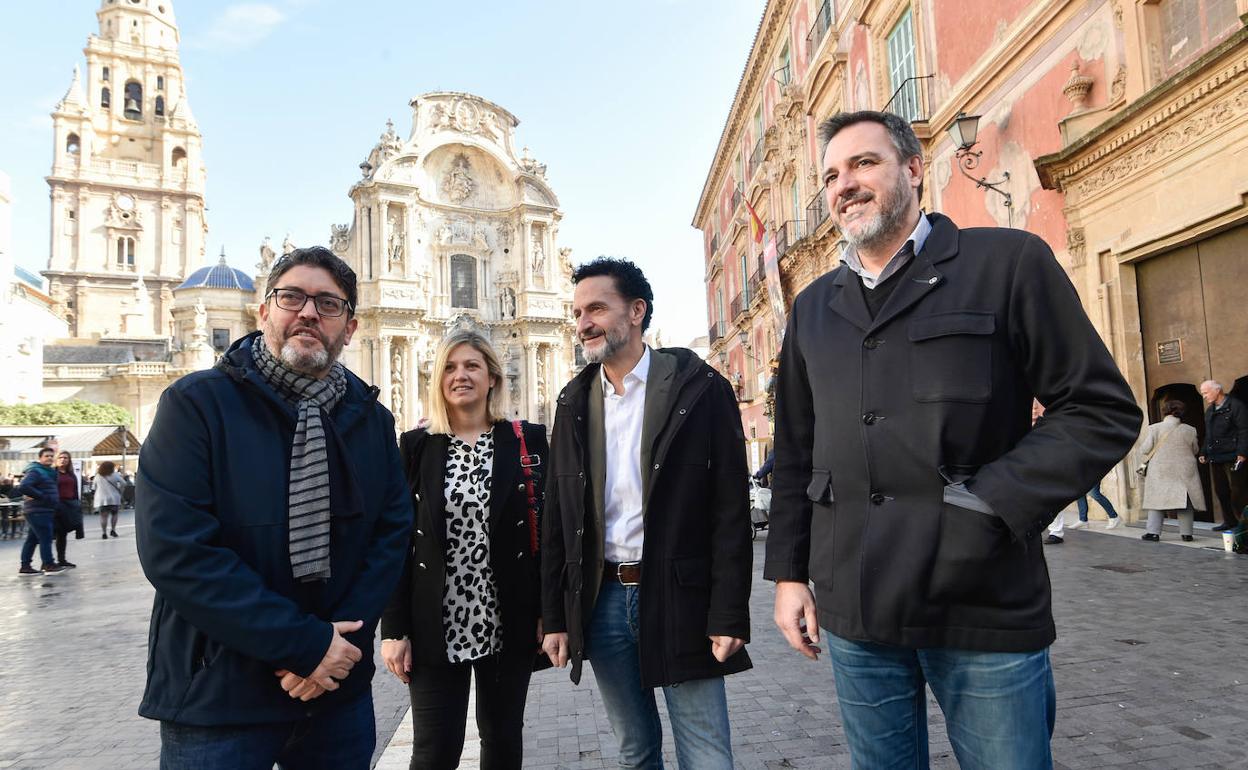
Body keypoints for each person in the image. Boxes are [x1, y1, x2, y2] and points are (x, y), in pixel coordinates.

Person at [766, 111, 1142, 768]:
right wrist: (789, 574)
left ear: (914, 169)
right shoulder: (813, 308)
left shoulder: (1008, 264)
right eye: (830, 175)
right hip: (856, 610)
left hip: (983, 604)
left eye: (863, 164)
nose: (843, 185)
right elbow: (797, 450)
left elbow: (1098, 408)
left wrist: (990, 504)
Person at [135, 246, 412, 769]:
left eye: (328, 305)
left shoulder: (371, 419)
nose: (308, 312)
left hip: (336, 693)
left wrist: (334, 653)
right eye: (292, 298)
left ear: (349, 328)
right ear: (264, 312)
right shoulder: (195, 405)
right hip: (219, 693)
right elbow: (176, 549)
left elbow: (388, 537)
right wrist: (304, 647)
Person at [541, 257, 752, 768]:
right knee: (634, 749)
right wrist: (555, 615)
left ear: (636, 312)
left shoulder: (699, 387)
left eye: (596, 308)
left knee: (706, 751)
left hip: (680, 595)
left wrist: (729, 611)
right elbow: (557, 518)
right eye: (576, 313)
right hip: (604, 600)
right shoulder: (573, 400)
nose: (583, 322)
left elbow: (730, 510)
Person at [380, 329, 548, 769]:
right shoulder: (416, 447)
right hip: (434, 620)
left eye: (472, 366)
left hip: (507, 617)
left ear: (492, 376)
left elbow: (549, 535)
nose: (461, 376)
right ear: (438, 380)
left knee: (503, 740)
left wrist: (549, 613)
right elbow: (395, 541)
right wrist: (394, 629)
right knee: (434, 751)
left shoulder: (527, 441)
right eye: (450, 368)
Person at [1139, 400, 1205, 541]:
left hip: (1161, 471)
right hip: (1184, 470)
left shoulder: (1155, 428)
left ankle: (1153, 533)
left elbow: (1145, 449)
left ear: (1164, 411)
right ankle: (1187, 534)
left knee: (1157, 501)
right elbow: (1195, 450)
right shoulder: (1190, 430)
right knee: (1184, 501)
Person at [1197, 380, 1247, 531]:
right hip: (1216, 456)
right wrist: (1203, 451)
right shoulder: (1210, 411)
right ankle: (1229, 521)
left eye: (1206, 393)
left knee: (1239, 491)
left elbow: (1244, 430)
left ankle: (1244, 524)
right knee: (1221, 491)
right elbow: (1209, 434)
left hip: (1233, 456)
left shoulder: (1236, 406)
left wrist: (1242, 452)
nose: (1204, 396)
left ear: (1217, 391)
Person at [16, 447, 66, 576]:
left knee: (32, 539)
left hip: (43, 509)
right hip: (38, 509)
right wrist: (42, 496)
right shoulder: (36, 471)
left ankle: (25, 566)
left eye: (51, 456)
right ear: (40, 458)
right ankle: (48, 564)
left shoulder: (48, 471)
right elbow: (24, 486)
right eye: (46, 456)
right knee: (45, 538)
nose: (49, 458)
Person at [53, 451, 81, 569]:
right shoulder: (53, 473)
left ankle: (62, 559)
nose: (63, 460)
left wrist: (76, 504)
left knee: (62, 534)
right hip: (56, 505)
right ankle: (48, 561)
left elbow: (75, 490)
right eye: (61, 457)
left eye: (66, 458)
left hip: (69, 505)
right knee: (53, 534)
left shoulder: (71, 474)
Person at [94, 460, 125, 538]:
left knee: (103, 517)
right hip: (114, 498)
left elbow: (94, 486)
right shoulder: (115, 475)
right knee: (114, 514)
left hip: (102, 499)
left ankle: (104, 533)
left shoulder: (98, 476)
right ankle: (113, 530)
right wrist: (120, 490)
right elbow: (124, 483)